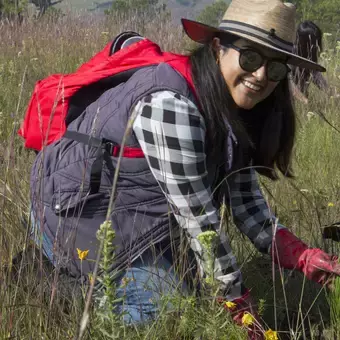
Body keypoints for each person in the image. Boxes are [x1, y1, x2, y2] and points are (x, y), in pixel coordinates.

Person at [29, 0, 340, 338]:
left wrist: (300, 254)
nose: (261, 76)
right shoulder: (171, 106)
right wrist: (238, 306)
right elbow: (200, 221)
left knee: (190, 286)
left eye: (276, 68)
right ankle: (58, 280)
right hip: (74, 213)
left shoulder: (230, 104)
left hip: (139, 212)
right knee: (167, 309)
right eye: (250, 58)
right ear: (219, 48)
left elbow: (246, 201)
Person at [290, 20, 329, 103]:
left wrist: (330, 92)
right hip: (288, 101)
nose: (317, 46)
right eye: (314, 43)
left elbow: (315, 75)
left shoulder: (309, 57)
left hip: (302, 102)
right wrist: (303, 99)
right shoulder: (290, 56)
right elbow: (288, 83)